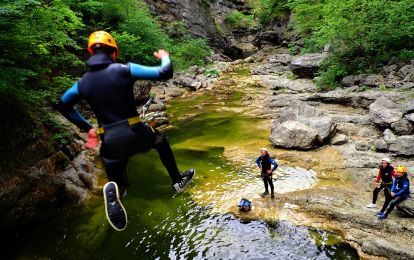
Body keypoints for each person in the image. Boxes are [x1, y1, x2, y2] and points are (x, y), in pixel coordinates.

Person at [56, 31, 195, 231]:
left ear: (90, 54)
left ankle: (116, 190)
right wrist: (164, 56)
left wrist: (88, 128)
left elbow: (63, 106)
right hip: (136, 133)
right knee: (161, 141)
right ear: (114, 52)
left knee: (119, 184)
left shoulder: (82, 83)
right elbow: (165, 72)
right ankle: (177, 180)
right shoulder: (124, 69)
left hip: (110, 143)